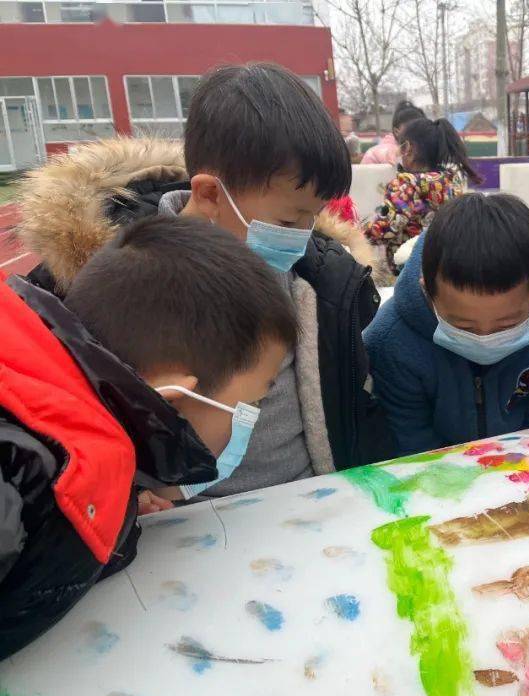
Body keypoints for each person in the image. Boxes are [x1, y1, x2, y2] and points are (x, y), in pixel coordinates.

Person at [16, 63, 396, 497]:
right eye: (290, 219)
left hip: (306, 500)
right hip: (177, 526)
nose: (305, 235)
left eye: (314, 217)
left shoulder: (320, 279)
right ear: (211, 194)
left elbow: (347, 404)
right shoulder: (97, 283)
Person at [1, 216, 297, 660]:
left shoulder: (71, 444)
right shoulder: (23, 481)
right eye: (249, 403)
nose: (247, 423)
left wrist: (109, 507)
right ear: (174, 398)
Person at [365, 193, 529, 454]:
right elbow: (410, 443)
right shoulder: (390, 340)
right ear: (428, 294)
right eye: (464, 327)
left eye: (507, 325)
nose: (485, 337)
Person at [363, 117, 481, 269]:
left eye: (401, 147)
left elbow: (385, 228)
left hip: (410, 267)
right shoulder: (451, 181)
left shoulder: (406, 185)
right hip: (446, 265)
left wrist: (353, 234)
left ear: (409, 149)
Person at [361, 100, 426, 166]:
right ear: (396, 131)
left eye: (421, 127)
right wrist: (395, 154)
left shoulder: (426, 149)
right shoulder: (374, 155)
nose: (416, 132)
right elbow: (388, 152)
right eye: (410, 128)